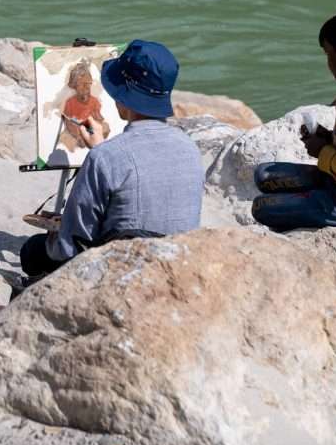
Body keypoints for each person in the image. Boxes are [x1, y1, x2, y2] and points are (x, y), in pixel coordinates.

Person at [20, 39, 205, 278]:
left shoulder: (105, 158)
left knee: (31, 252)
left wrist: (50, 240)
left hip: (123, 270)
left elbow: (72, 244)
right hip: (178, 262)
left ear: (123, 96)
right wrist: (102, 149)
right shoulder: (189, 148)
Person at [252, 11, 336, 231]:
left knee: (262, 207)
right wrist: (329, 138)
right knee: (263, 175)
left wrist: (322, 151)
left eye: (327, 53)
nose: (328, 62)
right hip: (335, 178)